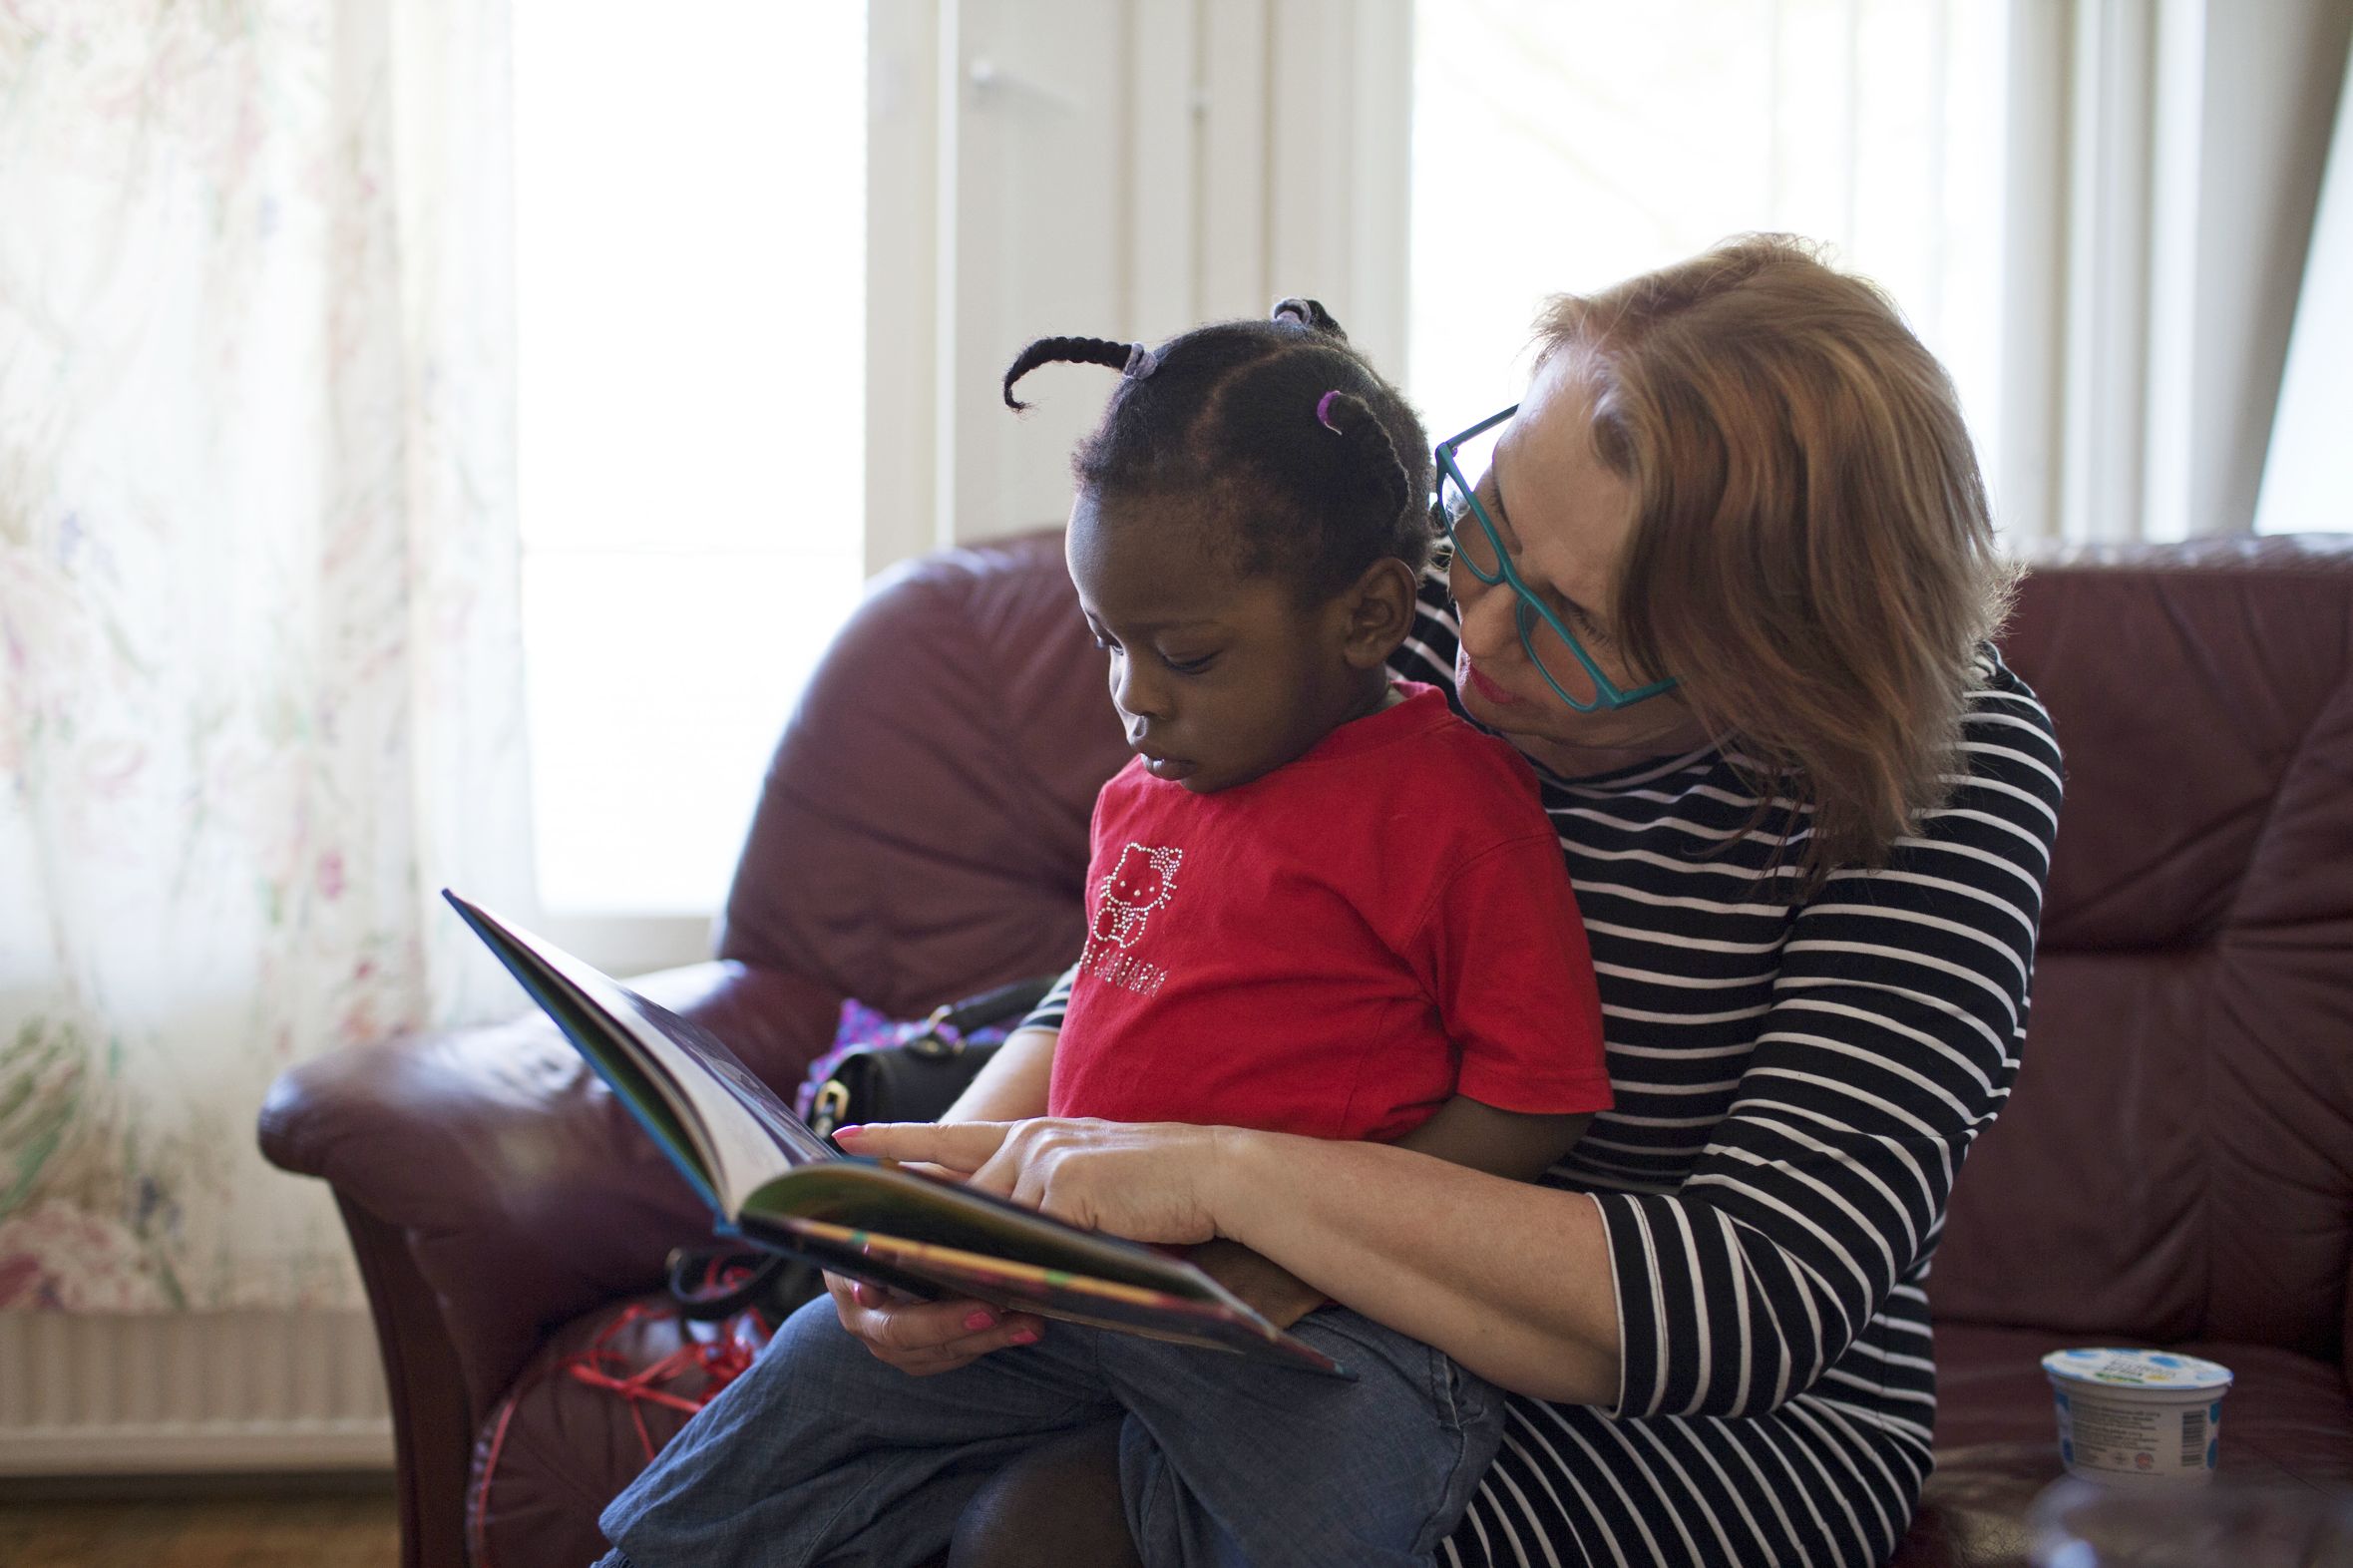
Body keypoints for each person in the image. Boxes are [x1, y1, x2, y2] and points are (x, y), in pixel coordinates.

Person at [592, 301, 1619, 1568]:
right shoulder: (1139, 801)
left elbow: (1538, 1098)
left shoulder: (1453, 808)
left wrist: (1306, 1260)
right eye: (1107, 642)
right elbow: (1096, 1011)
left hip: (1313, 1318)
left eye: (1183, 653)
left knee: (1342, 1498)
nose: (1132, 693)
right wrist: (936, 1227)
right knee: (814, 1364)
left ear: (1365, 619)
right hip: (1078, 1277)